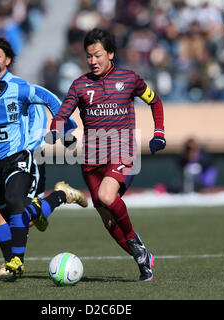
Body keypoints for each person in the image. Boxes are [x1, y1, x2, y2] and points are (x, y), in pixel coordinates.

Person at [48, 28, 166, 281]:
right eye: (89, 56)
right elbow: (61, 116)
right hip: (91, 161)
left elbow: (155, 101)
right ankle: (143, 260)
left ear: (111, 54)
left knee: (105, 195)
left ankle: (135, 241)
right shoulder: (79, 85)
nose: (93, 61)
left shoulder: (130, 79)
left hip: (123, 151)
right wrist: (58, 131)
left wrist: (159, 133)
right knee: (109, 222)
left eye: (98, 55)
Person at [0, 52, 87, 276]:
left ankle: (16, 261)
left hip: (18, 158)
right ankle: (60, 196)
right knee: (15, 215)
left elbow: (50, 98)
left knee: (15, 200)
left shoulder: (19, 90)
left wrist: (65, 127)